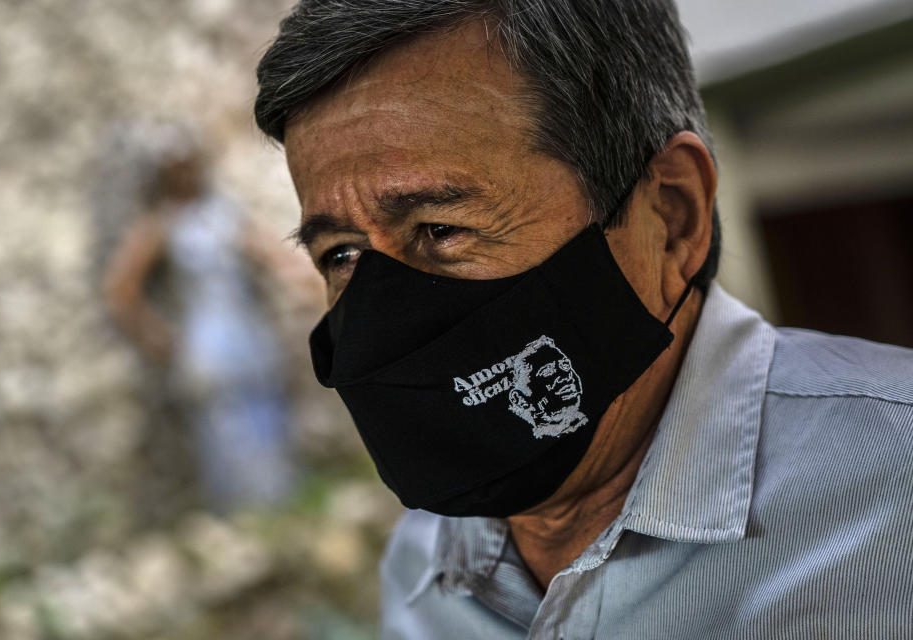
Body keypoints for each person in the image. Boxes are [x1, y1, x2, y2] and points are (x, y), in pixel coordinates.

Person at [253, 1, 913, 638]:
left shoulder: (894, 490)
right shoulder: (426, 568)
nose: (381, 317)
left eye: (442, 228)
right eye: (339, 254)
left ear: (672, 215)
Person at [104, 135, 295, 513]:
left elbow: (271, 254)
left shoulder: (223, 214)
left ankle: (281, 501)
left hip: (245, 326)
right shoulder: (160, 226)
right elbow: (121, 290)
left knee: (266, 410)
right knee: (223, 425)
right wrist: (156, 335)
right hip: (204, 335)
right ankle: (240, 511)